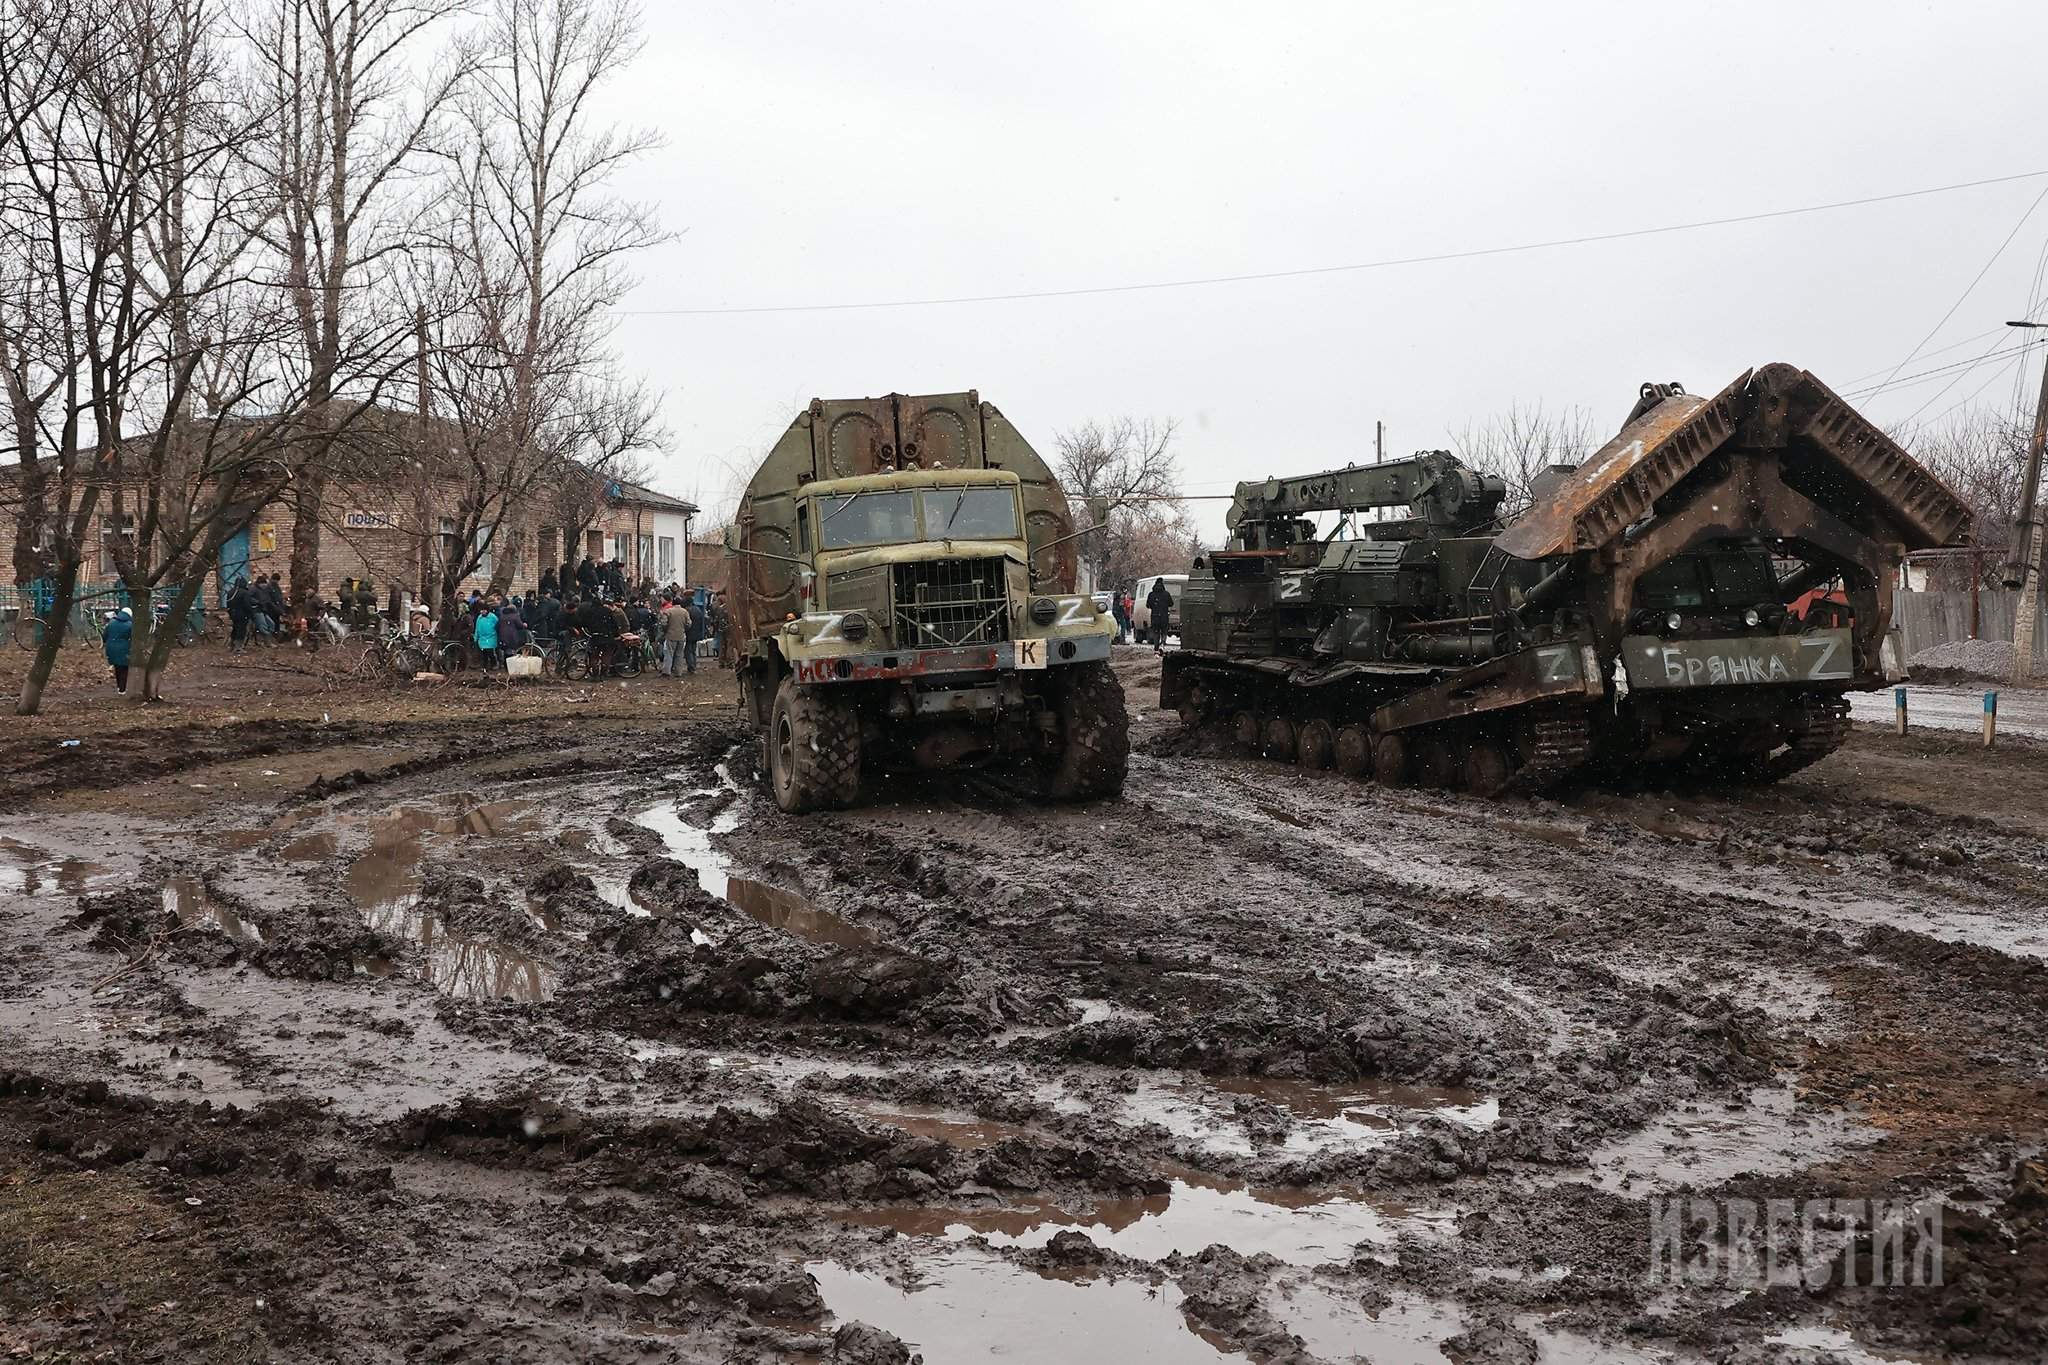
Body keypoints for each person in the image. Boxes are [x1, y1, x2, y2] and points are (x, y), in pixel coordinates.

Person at [103, 605, 133, 694]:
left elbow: (104, 636)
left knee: (117, 667)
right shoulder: (130, 625)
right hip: (124, 648)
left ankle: (119, 686)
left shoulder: (111, 623)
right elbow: (132, 638)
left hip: (111, 648)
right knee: (124, 668)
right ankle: (122, 689)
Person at [659, 595, 690, 676]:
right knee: (679, 655)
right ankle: (678, 672)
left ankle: (667, 671)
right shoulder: (685, 612)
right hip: (681, 636)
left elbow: (664, 623)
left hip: (670, 635)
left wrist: (666, 630)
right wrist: (684, 629)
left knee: (669, 653)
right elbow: (689, 623)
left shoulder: (668, 611)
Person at [1146, 578, 1174, 655]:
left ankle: (1156, 648)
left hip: (1154, 616)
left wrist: (1154, 606)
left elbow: (1148, 605)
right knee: (1164, 631)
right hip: (1164, 616)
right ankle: (1163, 644)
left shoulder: (1151, 594)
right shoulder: (1166, 594)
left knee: (1156, 632)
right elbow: (1171, 603)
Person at [226, 576, 254, 652]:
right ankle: (238, 647)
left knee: (235, 629)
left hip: (233, 614)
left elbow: (228, 604)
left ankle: (232, 645)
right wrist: (251, 613)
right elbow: (247, 604)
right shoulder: (244, 593)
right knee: (241, 630)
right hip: (242, 614)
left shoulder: (231, 592)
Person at [472, 595, 500, 669]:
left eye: (484, 610)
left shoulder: (492, 617)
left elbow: (497, 626)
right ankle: (484, 666)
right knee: (484, 654)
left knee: (491, 652)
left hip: (491, 637)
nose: (482, 611)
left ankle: (494, 664)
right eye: (481, 610)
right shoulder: (479, 618)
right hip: (482, 638)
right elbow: (477, 628)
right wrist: (476, 637)